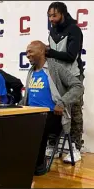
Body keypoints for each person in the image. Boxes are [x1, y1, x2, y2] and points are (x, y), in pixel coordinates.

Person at [19, 41, 84, 176]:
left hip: (53, 116)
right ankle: (19, 163)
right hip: (31, 114)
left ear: (42, 51)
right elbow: (27, 97)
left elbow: (78, 86)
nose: (27, 55)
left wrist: (62, 103)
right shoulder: (31, 71)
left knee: (37, 126)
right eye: (26, 52)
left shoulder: (55, 68)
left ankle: (38, 166)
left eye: (30, 51)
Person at [46, 1, 84, 162]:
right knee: (54, 109)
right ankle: (52, 145)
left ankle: (76, 148)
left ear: (62, 13)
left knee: (74, 112)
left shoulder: (74, 30)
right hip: (57, 77)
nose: (51, 19)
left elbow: (70, 56)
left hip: (73, 76)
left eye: (54, 15)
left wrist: (50, 52)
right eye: (49, 16)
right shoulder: (52, 30)